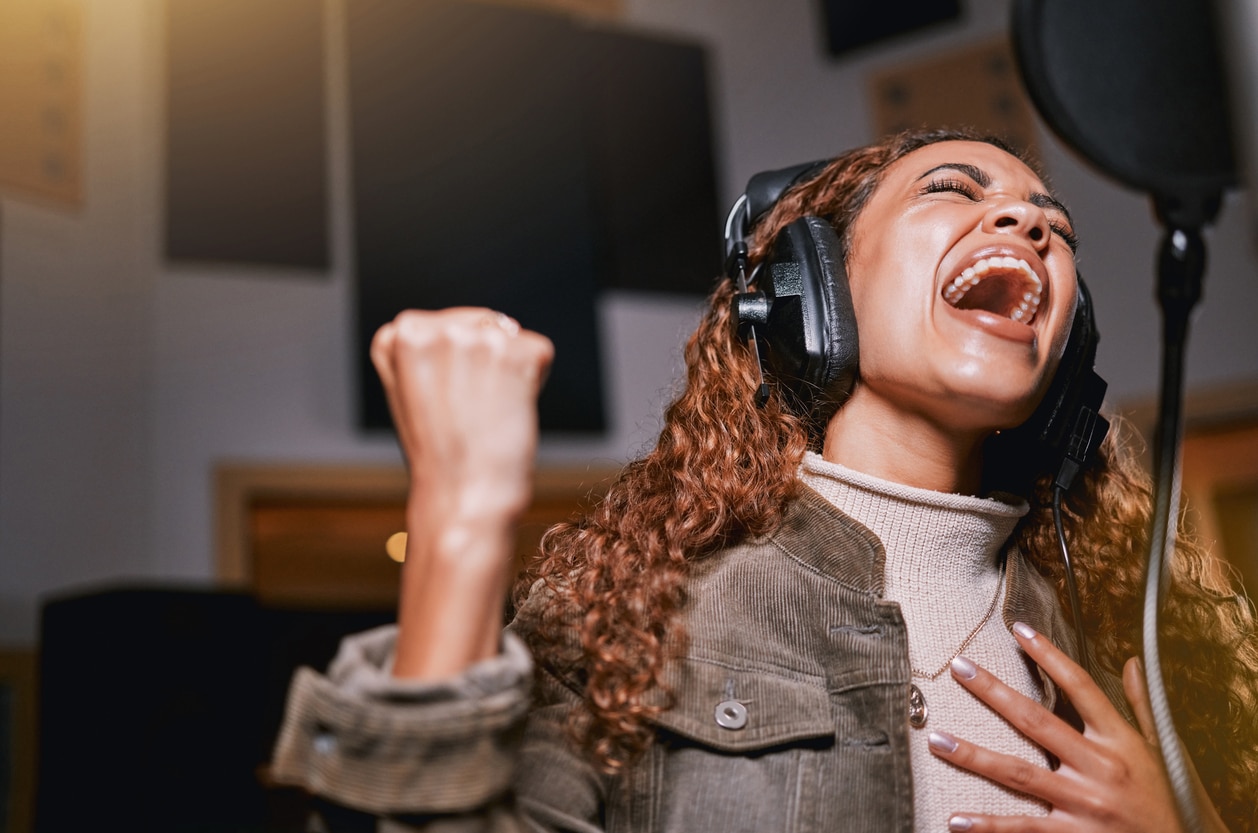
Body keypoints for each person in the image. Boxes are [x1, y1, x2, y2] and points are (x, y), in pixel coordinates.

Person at [271, 128, 1258, 832]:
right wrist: (457, 520)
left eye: (1055, 226)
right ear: (810, 292)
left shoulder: (1134, 641)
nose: (1027, 220)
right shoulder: (643, 622)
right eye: (951, 190)